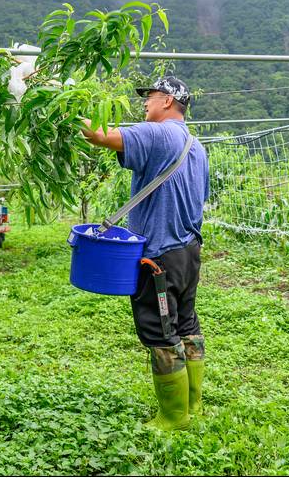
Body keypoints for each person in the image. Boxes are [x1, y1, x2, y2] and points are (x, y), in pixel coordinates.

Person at [81, 76, 210, 432]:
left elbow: (97, 134)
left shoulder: (158, 134)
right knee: (187, 325)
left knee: (160, 331)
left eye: (149, 96)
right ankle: (194, 405)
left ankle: (174, 418)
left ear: (167, 100)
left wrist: (62, 101)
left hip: (158, 258)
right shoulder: (197, 147)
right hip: (188, 250)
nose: (145, 103)